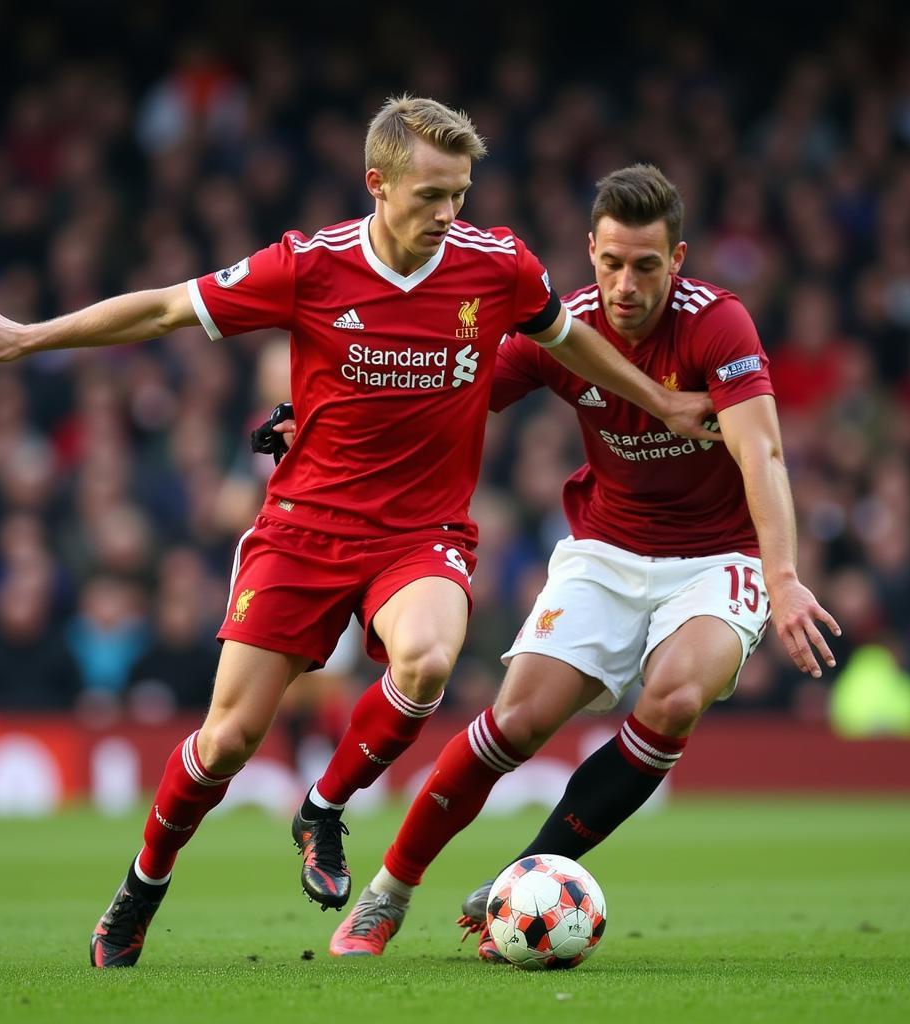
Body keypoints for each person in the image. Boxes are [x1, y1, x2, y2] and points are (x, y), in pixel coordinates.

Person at [0, 101, 715, 969]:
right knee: (227, 741)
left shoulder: (499, 268)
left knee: (424, 662)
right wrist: (30, 335)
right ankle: (142, 887)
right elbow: (163, 309)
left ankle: (324, 806)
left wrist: (663, 402)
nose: (448, 213)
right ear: (376, 185)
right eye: (430, 195)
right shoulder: (309, 266)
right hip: (303, 531)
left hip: (422, 532)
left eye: (459, 194)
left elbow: (570, 342)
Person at [325, 163, 840, 959]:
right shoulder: (563, 330)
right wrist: (325, 424)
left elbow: (762, 451)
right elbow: (444, 397)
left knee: (670, 700)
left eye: (644, 265)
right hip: (606, 550)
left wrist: (782, 579)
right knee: (516, 723)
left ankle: (521, 877)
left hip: (718, 556)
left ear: (678, 259)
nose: (625, 284)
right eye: (610, 263)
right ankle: (386, 894)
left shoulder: (719, 326)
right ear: (589, 252)